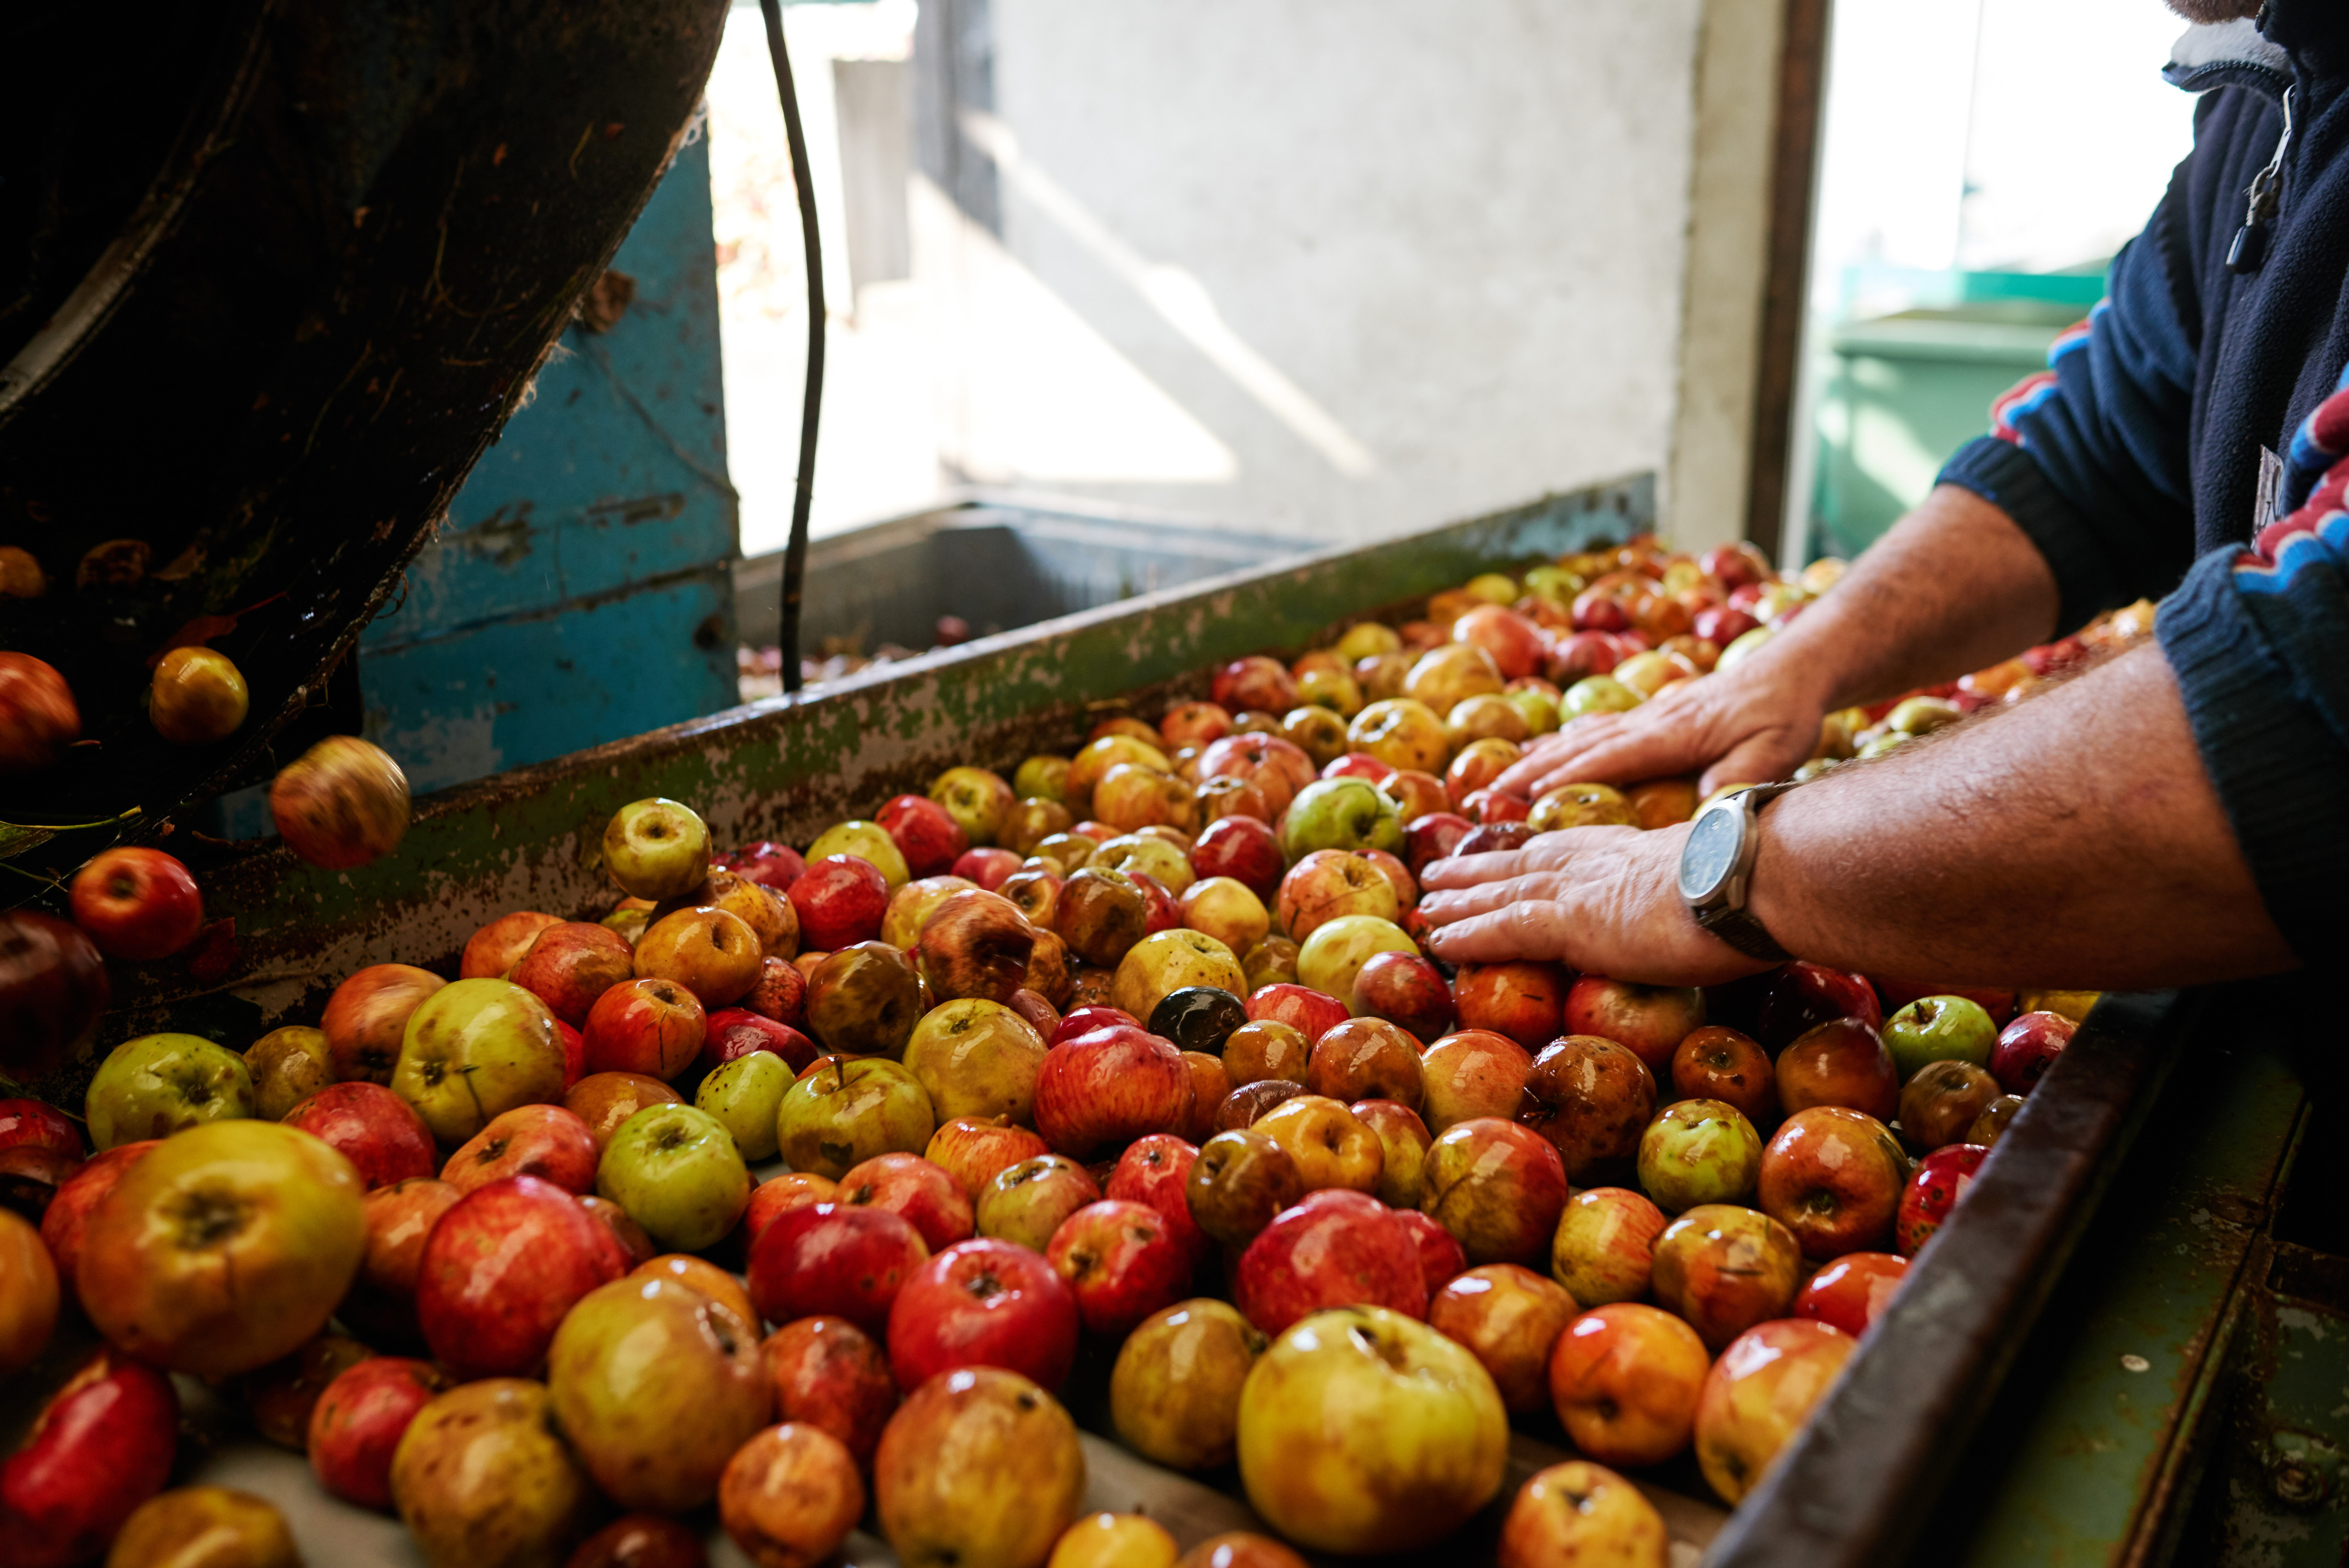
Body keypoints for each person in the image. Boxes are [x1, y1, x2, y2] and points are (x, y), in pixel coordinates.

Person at [1419, 0, 2343, 998]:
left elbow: (2308, 704)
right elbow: (2100, 452)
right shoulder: (2273, 78)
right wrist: (1794, 666)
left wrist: (1737, 871)